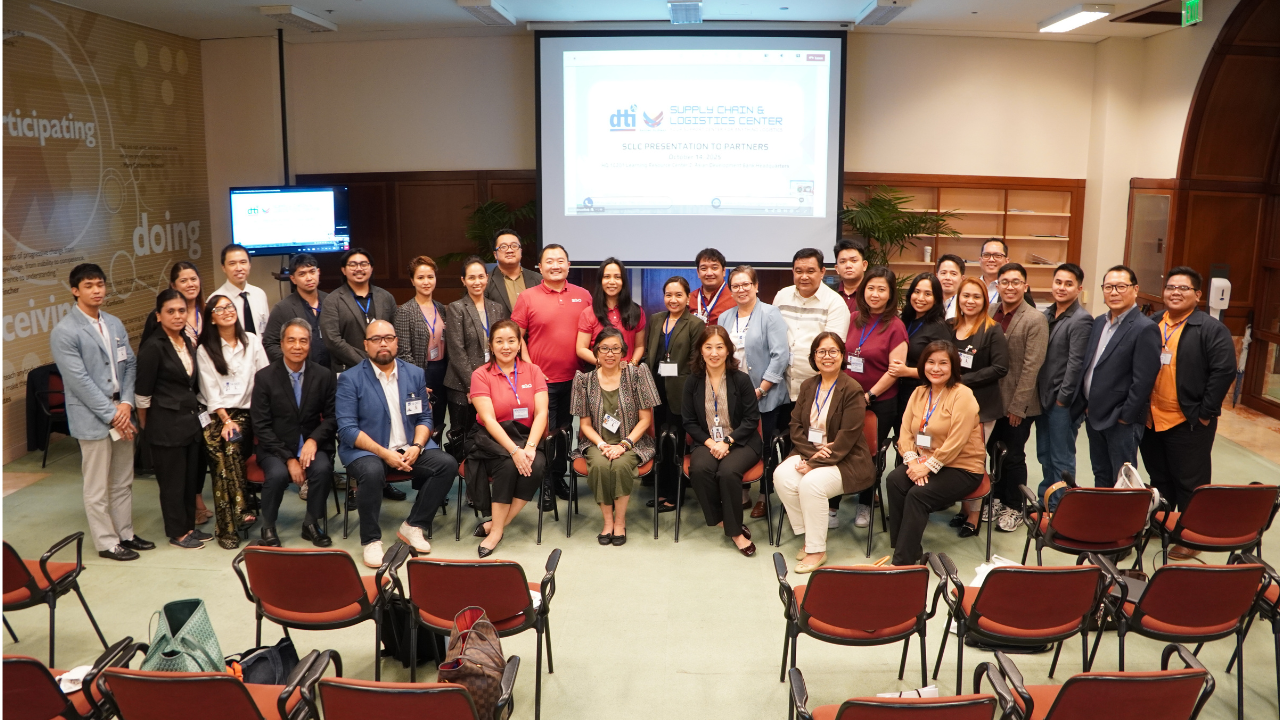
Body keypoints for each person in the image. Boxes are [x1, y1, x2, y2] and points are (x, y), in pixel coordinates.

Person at [49, 263, 153, 562]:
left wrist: (126, 404)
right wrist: (113, 414)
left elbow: (129, 364)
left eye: (100, 284)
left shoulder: (114, 323)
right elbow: (78, 381)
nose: (97, 291)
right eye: (89, 286)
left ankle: (125, 534)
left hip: (121, 409)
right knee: (96, 486)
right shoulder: (65, 331)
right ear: (75, 291)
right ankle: (107, 542)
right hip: (93, 416)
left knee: (123, 480)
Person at [336, 320, 459, 567]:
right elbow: (347, 429)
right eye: (376, 339)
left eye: (388, 338)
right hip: (368, 451)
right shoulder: (350, 379)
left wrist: (417, 446)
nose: (383, 343)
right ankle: (371, 540)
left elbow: (424, 418)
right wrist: (384, 453)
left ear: (396, 342)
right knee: (372, 472)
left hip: (408, 447)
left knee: (447, 464)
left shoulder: (414, 373)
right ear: (366, 345)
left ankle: (413, 525)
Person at [1139, 267, 1235, 559]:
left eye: (1183, 288)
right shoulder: (1152, 323)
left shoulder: (1210, 328)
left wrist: (1205, 412)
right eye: (1170, 287)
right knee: (1160, 476)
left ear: (1197, 295)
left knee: (1190, 482)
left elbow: (1223, 371)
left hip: (1188, 420)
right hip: (1151, 418)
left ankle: (1192, 536)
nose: (1175, 293)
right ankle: (1165, 524)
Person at [774, 332, 875, 573]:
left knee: (811, 484)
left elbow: (848, 437)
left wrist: (814, 464)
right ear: (814, 357)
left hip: (846, 459)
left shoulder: (852, 389)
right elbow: (795, 426)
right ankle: (810, 536)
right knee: (782, 476)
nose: (827, 356)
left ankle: (817, 550)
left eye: (833, 351)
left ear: (842, 355)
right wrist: (810, 456)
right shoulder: (808, 385)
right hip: (810, 451)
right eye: (821, 352)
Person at [887, 341, 985, 566]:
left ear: (953, 367)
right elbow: (905, 431)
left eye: (943, 363)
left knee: (918, 495)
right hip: (924, 460)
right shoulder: (919, 392)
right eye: (931, 362)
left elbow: (957, 441)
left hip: (962, 466)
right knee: (894, 481)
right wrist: (913, 462)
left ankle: (902, 563)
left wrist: (928, 467)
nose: (936, 368)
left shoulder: (963, 395)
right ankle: (908, 548)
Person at [510, 244, 592, 507]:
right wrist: (531, 369)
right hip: (542, 381)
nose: (555, 265)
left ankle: (558, 477)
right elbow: (517, 338)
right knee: (546, 433)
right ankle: (544, 482)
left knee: (566, 431)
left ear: (569, 265)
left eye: (560, 260)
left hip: (576, 379)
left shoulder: (583, 295)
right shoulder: (527, 297)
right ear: (540, 267)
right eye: (549, 261)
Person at [570, 328, 661, 545]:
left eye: (615, 349)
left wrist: (624, 444)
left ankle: (620, 522)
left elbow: (645, 420)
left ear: (623, 352)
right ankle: (608, 522)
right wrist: (602, 444)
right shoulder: (584, 380)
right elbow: (585, 425)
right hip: (597, 442)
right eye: (604, 348)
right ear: (596, 352)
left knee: (620, 466)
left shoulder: (637, 375)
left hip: (633, 442)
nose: (610, 354)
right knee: (600, 465)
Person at [467, 320, 549, 557]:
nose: (506, 346)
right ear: (491, 345)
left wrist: (530, 447)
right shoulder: (481, 374)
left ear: (519, 344)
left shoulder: (533, 371)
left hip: (526, 434)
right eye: (499, 341)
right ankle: (495, 533)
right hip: (492, 437)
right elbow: (488, 419)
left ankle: (497, 524)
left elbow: (541, 412)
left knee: (537, 464)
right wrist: (514, 451)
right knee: (508, 464)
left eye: (512, 341)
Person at [250, 319, 336, 547]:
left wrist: (313, 440)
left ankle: (310, 524)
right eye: (291, 340)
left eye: (303, 341)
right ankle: (268, 527)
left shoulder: (324, 375)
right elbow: (260, 425)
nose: (297, 346)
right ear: (281, 344)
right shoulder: (265, 377)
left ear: (310, 344)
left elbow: (332, 416)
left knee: (323, 469)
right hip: (275, 447)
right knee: (277, 475)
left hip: (311, 444)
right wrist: (289, 458)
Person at [1073, 265, 1160, 489]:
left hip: (1121, 419)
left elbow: (1143, 381)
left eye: (1121, 286)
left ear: (1135, 289)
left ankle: (1123, 515)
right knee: (1101, 473)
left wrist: (1125, 416)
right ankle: (1103, 512)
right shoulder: (1099, 322)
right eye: (1108, 287)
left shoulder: (1144, 328)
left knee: (1123, 481)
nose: (1114, 292)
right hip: (1094, 414)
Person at [136, 290, 209, 550]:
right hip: (164, 426)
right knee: (172, 484)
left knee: (189, 480)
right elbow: (142, 394)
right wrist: (147, 426)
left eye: (181, 311)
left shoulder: (186, 340)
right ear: (158, 316)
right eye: (170, 311)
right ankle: (177, 533)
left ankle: (189, 526)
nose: (177, 316)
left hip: (188, 423)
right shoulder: (153, 347)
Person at [196, 294, 269, 549]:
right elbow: (210, 390)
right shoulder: (205, 349)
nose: (227, 311)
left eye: (230, 306)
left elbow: (264, 379)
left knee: (231, 447)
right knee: (216, 452)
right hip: (215, 413)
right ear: (211, 318)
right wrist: (226, 420)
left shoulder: (252, 341)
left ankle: (230, 523)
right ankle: (236, 514)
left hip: (245, 412)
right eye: (220, 309)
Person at [682, 325, 762, 557]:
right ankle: (722, 519)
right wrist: (711, 443)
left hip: (742, 440)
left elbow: (751, 419)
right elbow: (689, 422)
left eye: (719, 347)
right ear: (701, 350)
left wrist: (727, 441)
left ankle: (735, 532)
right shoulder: (692, 382)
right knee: (699, 469)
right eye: (708, 347)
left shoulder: (741, 380)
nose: (714, 353)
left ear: (728, 350)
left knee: (727, 472)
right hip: (707, 441)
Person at [719, 265, 790, 518]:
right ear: (730, 290)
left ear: (756, 286)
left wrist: (761, 389)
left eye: (746, 284)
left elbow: (780, 356)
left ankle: (764, 495)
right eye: (735, 286)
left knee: (766, 446)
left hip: (765, 394)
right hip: (734, 396)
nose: (741, 290)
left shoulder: (770, 314)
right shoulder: (725, 317)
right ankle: (744, 490)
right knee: (739, 444)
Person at [844, 266, 909, 529]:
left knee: (870, 453)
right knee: (843, 446)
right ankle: (836, 501)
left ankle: (866, 502)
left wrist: (869, 395)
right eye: (871, 288)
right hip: (849, 399)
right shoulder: (853, 318)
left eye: (882, 289)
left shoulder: (895, 326)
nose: (875, 294)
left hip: (879, 402)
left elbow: (895, 370)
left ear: (890, 294)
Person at [986, 263, 1048, 532]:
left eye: (1015, 282)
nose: (1009, 287)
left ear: (1025, 286)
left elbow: (1032, 367)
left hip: (1017, 403)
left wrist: (1018, 407)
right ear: (997, 285)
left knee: (1012, 456)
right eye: (1005, 282)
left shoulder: (1035, 319)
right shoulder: (990, 311)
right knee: (993, 452)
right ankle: (997, 499)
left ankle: (1015, 505)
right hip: (991, 401)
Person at [949, 276, 1008, 536]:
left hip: (981, 407)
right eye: (966, 296)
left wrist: (961, 381)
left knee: (973, 459)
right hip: (952, 404)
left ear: (985, 300)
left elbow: (1000, 367)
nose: (970, 301)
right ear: (958, 298)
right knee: (956, 457)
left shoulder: (992, 329)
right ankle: (964, 509)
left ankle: (974, 515)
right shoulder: (951, 326)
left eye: (976, 296)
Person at [644, 276, 706, 513]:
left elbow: (695, 362)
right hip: (656, 389)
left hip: (681, 392)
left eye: (679, 295)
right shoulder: (656, 319)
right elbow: (651, 353)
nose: (673, 299)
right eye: (668, 295)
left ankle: (676, 494)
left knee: (676, 443)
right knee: (660, 442)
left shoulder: (695, 324)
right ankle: (662, 489)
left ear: (688, 297)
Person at [1034, 263, 1092, 510]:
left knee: (1061, 456)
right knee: (1044, 452)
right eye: (1058, 282)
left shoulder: (1081, 320)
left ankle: (1061, 507)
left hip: (1062, 402)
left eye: (1069, 284)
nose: (1062, 287)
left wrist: (1062, 399)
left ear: (1078, 289)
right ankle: (1046, 499)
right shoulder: (1047, 314)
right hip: (1043, 397)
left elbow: (1076, 364)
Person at [446, 256, 508, 444]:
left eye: (481, 276)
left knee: (489, 435)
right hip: (462, 385)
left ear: (487, 278)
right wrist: (472, 387)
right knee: (463, 437)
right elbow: (456, 351)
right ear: (463, 280)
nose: (477, 282)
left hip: (492, 382)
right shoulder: (456, 308)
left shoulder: (496, 308)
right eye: (471, 278)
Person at [888, 273, 952, 442]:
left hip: (923, 393)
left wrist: (906, 371)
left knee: (918, 442)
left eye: (928, 294)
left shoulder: (939, 327)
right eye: (917, 292)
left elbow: (944, 370)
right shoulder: (904, 320)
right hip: (898, 392)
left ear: (936, 298)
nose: (920, 298)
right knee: (901, 440)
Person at [321, 247, 397, 373]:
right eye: (353, 265)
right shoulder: (332, 300)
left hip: (384, 367)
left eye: (364, 264)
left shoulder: (386, 297)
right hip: (348, 369)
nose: (359, 268)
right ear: (343, 270)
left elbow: (396, 332)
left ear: (371, 268)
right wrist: (366, 363)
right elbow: (332, 340)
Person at [395, 256, 449, 432]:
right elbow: (403, 352)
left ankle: (437, 449)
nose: (426, 282)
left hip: (442, 371)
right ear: (412, 281)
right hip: (421, 372)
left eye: (430, 277)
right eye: (420, 277)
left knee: (439, 419)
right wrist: (417, 381)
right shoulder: (405, 311)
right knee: (422, 421)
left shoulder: (441, 308)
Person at [262, 253, 330, 369]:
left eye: (312, 272)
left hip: (332, 371)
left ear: (318, 272)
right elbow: (270, 343)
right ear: (293, 279)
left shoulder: (331, 301)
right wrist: (293, 364)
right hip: (300, 372)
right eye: (302, 274)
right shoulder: (282, 308)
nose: (309, 278)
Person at [576, 257, 647, 366]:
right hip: (599, 372)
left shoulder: (636, 311)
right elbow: (581, 349)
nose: (612, 282)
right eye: (607, 277)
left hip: (628, 372)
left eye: (617, 277)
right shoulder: (589, 313)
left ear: (623, 281)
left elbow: (639, 346)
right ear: (600, 281)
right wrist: (605, 364)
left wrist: (631, 365)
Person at [208, 244, 269, 335]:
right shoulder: (215, 300)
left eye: (243, 262)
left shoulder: (259, 294)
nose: (239, 268)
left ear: (249, 265)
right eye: (232, 263)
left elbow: (265, 331)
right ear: (223, 268)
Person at [141, 261, 203, 346]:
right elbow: (148, 348)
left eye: (193, 279)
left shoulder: (207, 310)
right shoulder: (159, 315)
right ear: (173, 285)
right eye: (183, 281)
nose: (190, 284)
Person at [484, 228, 542, 316]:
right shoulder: (486, 282)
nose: (510, 250)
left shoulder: (538, 279)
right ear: (495, 254)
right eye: (503, 247)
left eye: (514, 246)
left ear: (520, 251)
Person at [693, 248, 736, 324]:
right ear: (698, 273)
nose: (709, 273)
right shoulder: (690, 299)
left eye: (714, 268)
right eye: (704, 268)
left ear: (723, 271)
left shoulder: (735, 297)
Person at [834, 238, 870, 315]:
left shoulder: (872, 292)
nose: (848, 265)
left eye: (854, 261)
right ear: (837, 269)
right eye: (843, 262)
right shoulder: (829, 293)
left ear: (864, 265)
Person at [935, 255, 966, 321]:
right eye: (943, 273)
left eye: (953, 274)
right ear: (937, 276)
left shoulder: (965, 304)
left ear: (962, 278)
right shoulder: (930, 301)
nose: (947, 278)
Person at [978, 239, 1008, 306]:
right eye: (986, 255)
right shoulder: (970, 286)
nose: (991, 259)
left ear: (1006, 261)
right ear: (980, 260)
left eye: (997, 255)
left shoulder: (1015, 288)